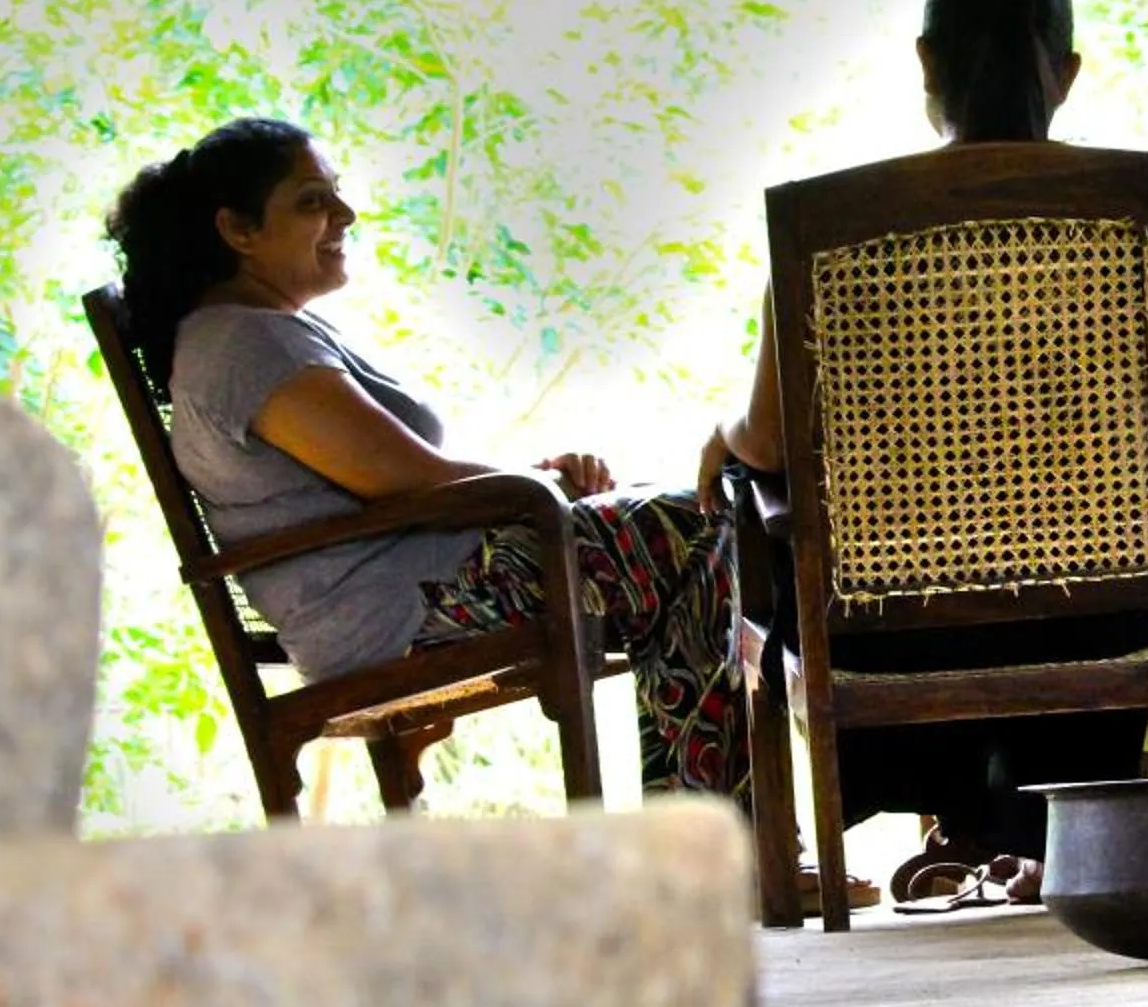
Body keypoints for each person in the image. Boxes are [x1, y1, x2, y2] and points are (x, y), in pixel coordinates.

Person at [108, 120, 786, 855]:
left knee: (677, 528)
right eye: (313, 202)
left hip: (425, 578)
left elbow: (398, 480)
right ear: (237, 229)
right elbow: (398, 476)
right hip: (404, 607)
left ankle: (712, 850)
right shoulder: (240, 343)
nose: (345, 218)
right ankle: (723, 853)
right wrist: (539, 488)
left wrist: (542, 481)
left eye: (337, 196)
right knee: (681, 527)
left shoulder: (265, 331)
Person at [697, 0, 1148, 907]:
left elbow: (771, 441)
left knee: (744, 513)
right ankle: (1013, 828)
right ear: (1067, 73)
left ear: (926, 63)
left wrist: (722, 432)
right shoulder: (1138, 214)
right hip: (1105, 618)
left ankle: (936, 827)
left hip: (886, 633)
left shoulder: (838, 230)